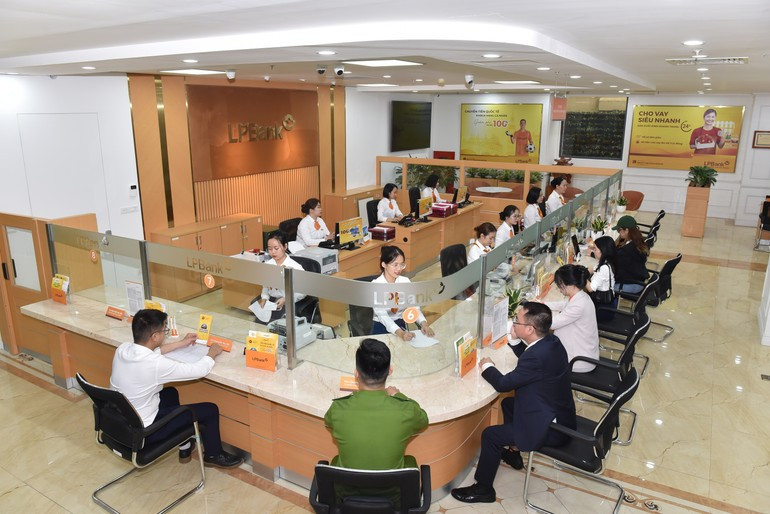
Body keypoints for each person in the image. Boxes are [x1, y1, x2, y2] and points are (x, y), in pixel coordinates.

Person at [451, 302, 576, 503]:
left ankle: (484, 489)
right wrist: (516, 340)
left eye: (516, 320)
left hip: (550, 428)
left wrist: (487, 366)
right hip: (559, 415)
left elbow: (502, 384)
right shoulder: (551, 342)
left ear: (529, 329)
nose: (513, 323)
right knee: (509, 405)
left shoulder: (536, 356)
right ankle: (514, 451)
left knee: (490, 436)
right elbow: (531, 361)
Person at [110, 309, 243, 469]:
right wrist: (211, 354)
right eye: (164, 330)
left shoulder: (123, 349)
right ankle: (213, 454)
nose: (165, 333)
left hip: (120, 421)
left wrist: (182, 343)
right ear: (155, 337)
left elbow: (153, 351)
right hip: (145, 433)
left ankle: (185, 446)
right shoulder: (154, 364)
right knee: (210, 409)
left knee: (170, 393)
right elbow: (198, 371)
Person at [324, 338, 428, 506]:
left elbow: (328, 422)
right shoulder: (405, 411)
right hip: (394, 496)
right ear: (390, 371)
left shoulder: (338, 409)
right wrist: (398, 396)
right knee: (410, 462)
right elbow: (423, 420)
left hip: (346, 494)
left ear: (356, 374)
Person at [371, 246, 434, 341]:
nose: (399, 268)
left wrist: (423, 323)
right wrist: (400, 333)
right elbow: (382, 316)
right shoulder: (376, 285)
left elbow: (414, 307)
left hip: (400, 323)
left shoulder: (405, 282)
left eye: (401, 264)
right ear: (384, 264)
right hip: (381, 326)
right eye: (395, 265)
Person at [545, 264, 600, 373]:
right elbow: (564, 304)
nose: (559, 288)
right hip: (583, 352)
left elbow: (551, 324)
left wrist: (535, 311)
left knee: (540, 360)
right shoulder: (581, 296)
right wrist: (543, 304)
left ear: (570, 284)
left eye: (559, 284)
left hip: (579, 361)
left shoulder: (579, 305)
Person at [258, 231, 306, 322]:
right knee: (260, 324)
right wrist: (264, 298)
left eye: (276, 248)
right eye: (270, 249)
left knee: (277, 327)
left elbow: (303, 291)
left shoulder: (295, 267)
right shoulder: (268, 264)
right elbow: (265, 285)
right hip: (271, 302)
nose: (273, 252)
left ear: (285, 246)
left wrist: (286, 299)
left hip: (288, 302)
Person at [613, 215, 649, 294]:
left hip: (630, 285)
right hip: (639, 282)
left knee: (602, 287)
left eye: (619, 230)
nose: (618, 232)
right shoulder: (638, 243)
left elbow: (615, 262)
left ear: (627, 230)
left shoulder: (627, 250)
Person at [586, 235, 617, 321]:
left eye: (595, 249)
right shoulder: (606, 262)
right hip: (607, 304)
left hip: (603, 310)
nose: (594, 251)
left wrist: (582, 276)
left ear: (603, 251)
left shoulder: (604, 268)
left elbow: (590, 288)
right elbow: (592, 269)